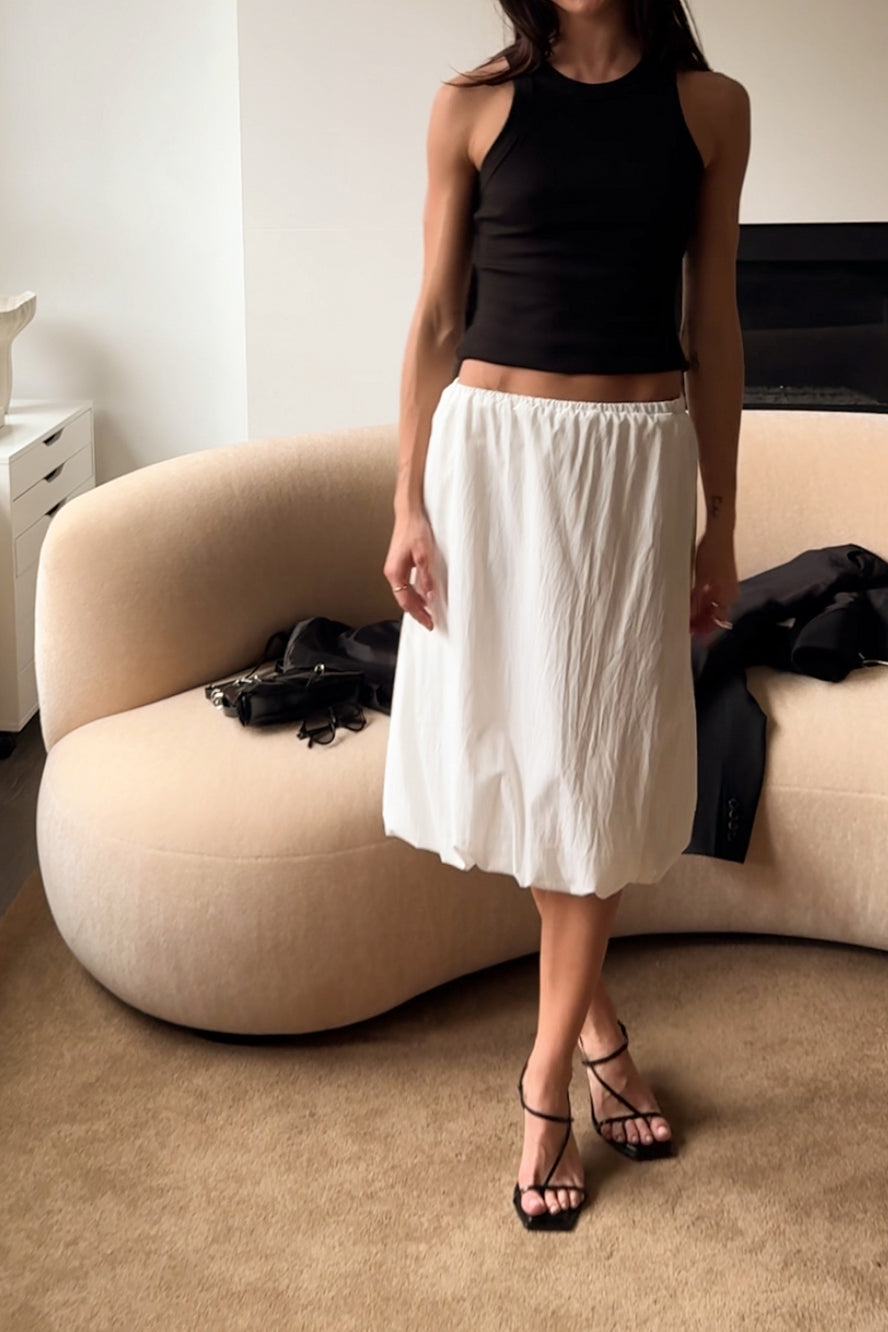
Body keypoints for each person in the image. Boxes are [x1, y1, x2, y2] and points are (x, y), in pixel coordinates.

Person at [381, 0, 749, 1231]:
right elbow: (436, 319)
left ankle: (545, 1080)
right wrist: (407, 503)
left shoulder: (711, 109)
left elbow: (713, 323)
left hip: (635, 464)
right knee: (536, 758)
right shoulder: (472, 105)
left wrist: (720, 518)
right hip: (493, 465)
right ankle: (593, 1044)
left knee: (592, 766)